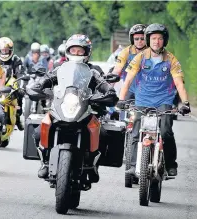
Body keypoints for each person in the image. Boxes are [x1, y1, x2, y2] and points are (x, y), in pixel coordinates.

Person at [31, 34, 117, 179]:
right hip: (62, 107)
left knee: (103, 134)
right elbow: (45, 79)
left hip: (87, 109)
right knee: (39, 131)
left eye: (80, 51)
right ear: (68, 51)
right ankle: (45, 162)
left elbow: (104, 85)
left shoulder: (93, 71)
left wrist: (108, 93)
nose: (77, 54)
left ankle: (93, 165)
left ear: (87, 52)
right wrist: (38, 86)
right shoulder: (60, 68)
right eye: (74, 50)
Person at [117, 23, 191, 177]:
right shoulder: (140, 57)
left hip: (164, 100)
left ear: (164, 41)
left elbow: (179, 83)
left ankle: (171, 164)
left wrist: (185, 103)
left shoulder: (171, 59)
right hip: (142, 100)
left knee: (166, 131)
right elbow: (128, 80)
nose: (156, 41)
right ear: (148, 40)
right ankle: (132, 166)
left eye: (160, 38)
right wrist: (121, 99)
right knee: (135, 131)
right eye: (153, 38)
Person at [0, 36, 25, 130]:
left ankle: (18, 117)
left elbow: (20, 74)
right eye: (3, 50)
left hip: (11, 84)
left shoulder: (16, 59)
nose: (5, 52)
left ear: (11, 50)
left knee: (19, 95)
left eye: (7, 50)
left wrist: (21, 87)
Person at [111, 24, 147, 100]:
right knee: (122, 105)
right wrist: (108, 89)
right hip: (130, 89)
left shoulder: (153, 52)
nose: (139, 41)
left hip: (149, 91)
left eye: (142, 38)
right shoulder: (125, 52)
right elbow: (116, 71)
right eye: (136, 39)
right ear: (132, 39)